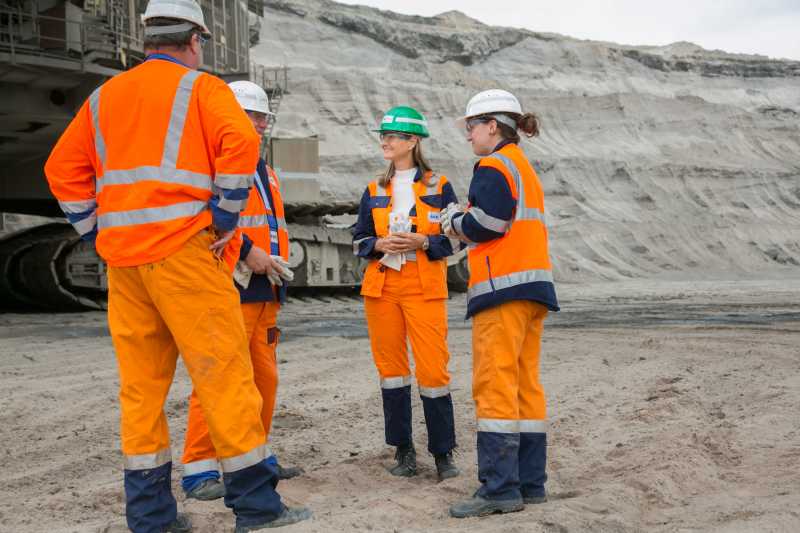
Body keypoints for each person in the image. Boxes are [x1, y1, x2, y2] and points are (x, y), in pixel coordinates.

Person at [43, 1, 310, 531]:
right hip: (187, 253)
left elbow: (61, 171)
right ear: (194, 40)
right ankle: (257, 508)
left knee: (142, 390)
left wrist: (96, 232)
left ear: (147, 39)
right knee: (224, 376)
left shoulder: (103, 98)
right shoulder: (203, 89)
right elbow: (241, 143)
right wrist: (226, 216)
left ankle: (151, 517)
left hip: (125, 264)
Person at [181, 80, 302, 501]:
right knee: (217, 377)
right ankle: (198, 470)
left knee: (264, 379)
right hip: (230, 284)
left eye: (262, 116)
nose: (259, 123)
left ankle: (256, 459)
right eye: (251, 115)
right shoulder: (211, 163)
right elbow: (209, 219)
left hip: (265, 288)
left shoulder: (264, 170)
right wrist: (248, 252)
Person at [441, 89, 559, 518]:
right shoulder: (521, 165)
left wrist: (453, 221)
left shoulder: (493, 165)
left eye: (472, 127)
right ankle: (530, 484)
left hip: (501, 291)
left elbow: (488, 223)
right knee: (526, 386)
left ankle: (499, 489)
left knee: (494, 385)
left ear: (492, 126)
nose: (468, 135)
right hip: (532, 289)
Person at [352, 106, 461, 482]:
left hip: (423, 286)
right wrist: (378, 244)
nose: (385, 141)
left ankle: (443, 454)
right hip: (382, 287)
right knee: (392, 372)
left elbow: (457, 240)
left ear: (412, 141)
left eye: (392, 136)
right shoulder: (374, 189)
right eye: (383, 136)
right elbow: (358, 240)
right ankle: (403, 451)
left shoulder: (439, 186)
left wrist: (422, 241)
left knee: (433, 371)